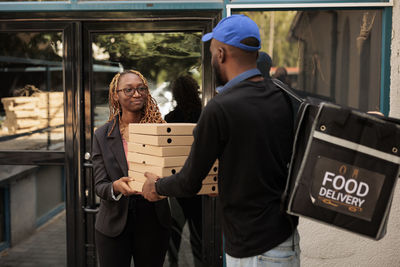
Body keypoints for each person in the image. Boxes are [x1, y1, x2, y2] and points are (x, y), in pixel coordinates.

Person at [142, 14, 300, 267]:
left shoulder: (221, 108)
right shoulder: (282, 97)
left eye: (213, 50)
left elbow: (188, 182)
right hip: (285, 240)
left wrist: (157, 187)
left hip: (254, 249)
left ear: (221, 54)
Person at [92, 70, 171, 267]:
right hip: (114, 223)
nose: (136, 94)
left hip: (153, 219)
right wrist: (116, 187)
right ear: (115, 95)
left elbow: (174, 171)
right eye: (128, 90)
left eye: (141, 88)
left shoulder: (161, 130)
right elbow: (99, 185)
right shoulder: (102, 134)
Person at [164, 75, 203, 267]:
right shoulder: (205, 115)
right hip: (201, 183)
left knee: (175, 231)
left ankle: (173, 263)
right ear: (195, 90)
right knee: (199, 233)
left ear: (176, 95)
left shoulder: (170, 119)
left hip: (177, 182)